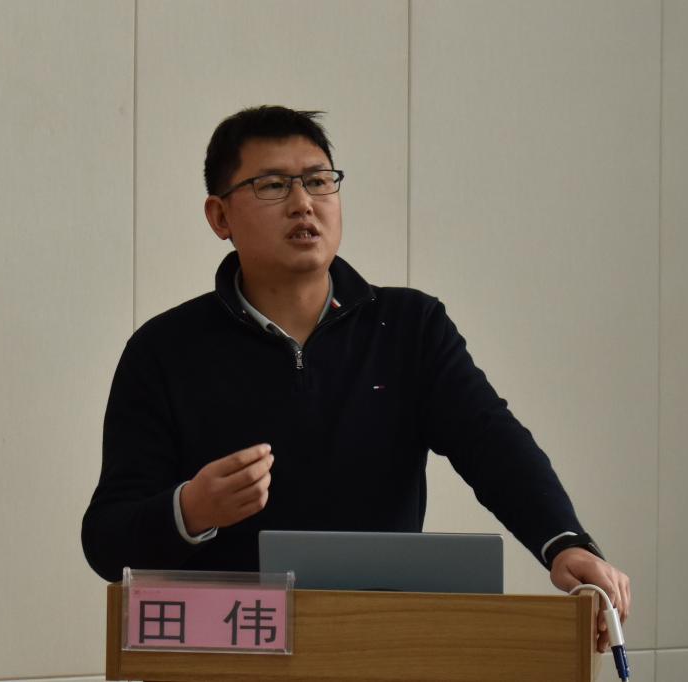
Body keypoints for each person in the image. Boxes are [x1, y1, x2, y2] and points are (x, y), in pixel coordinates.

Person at [81, 105, 630, 651]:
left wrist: (564, 542)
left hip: (377, 646)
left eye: (319, 181)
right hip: (227, 652)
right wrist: (190, 510)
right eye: (272, 185)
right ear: (220, 216)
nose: (303, 203)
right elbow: (106, 539)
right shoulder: (164, 349)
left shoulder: (410, 328)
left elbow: (493, 444)